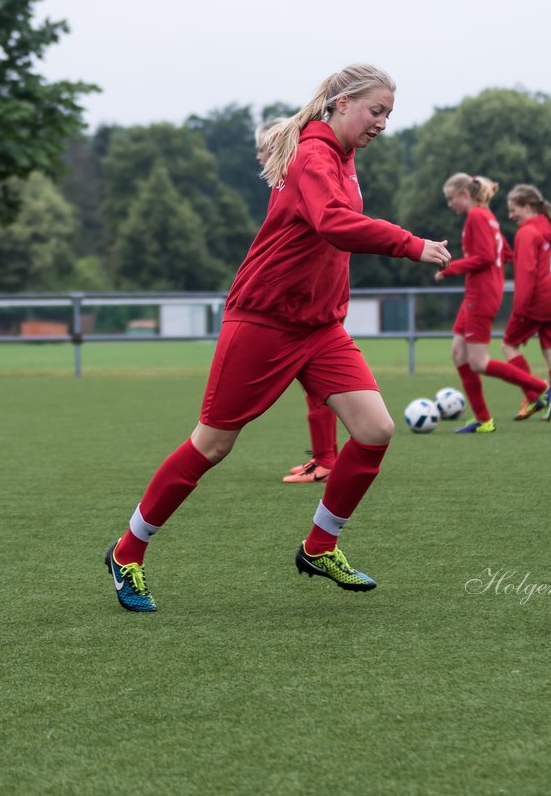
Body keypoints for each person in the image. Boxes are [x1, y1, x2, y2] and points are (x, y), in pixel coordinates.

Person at [105, 64, 453, 612]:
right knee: (212, 445)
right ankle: (127, 552)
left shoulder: (343, 155)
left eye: (390, 113)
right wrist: (410, 244)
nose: (384, 123)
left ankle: (320, 547)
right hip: (264, 321)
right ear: (341, 103)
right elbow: (334, 224)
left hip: (319, 327)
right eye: (376, 110)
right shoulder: (314, 155)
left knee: (376, 429)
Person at [252, 117, 341, 485]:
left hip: (307, 302)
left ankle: (326, 461)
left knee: (319, 386)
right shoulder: (291, 178)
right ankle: (324, 459)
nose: (259, 157)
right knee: (315, 386)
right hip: (306, 299)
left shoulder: (302, 170)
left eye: (262, 148)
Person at [434, 173, 551, 434]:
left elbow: (487, 256)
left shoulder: (477, 216)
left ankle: (542, 388)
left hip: (481, 296)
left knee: (478, 362)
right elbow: (505, 253)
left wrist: (449, 268)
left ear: (464, 194)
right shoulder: (486, 215)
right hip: (478, 293)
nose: (450, 204)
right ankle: (483, 419)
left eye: (450, 199)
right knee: (458, 353)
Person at [501, 183, 551, 420]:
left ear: (528, 206)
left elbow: (527, 274)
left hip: (536, 304)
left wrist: (520, 309)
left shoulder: (527, 233)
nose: (511, 215)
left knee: (508, 345)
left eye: (514, 210)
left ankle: (536, 396)